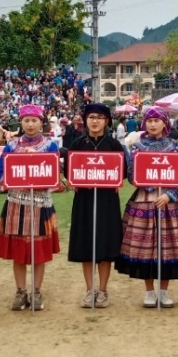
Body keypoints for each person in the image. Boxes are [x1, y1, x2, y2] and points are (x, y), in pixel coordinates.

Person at [117, 105, 178, 308]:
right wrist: (149, 183)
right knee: (146, 247)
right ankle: (149, 292)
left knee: (167, 247)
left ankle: (163, 291)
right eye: (150, 121)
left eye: (157, 120)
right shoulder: (138, 147)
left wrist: (169, 194)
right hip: (144, 200)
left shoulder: (175, 146)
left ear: (164, 123)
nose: (153, 124)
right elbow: (130, 174)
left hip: (169, 203)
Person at [0, 104, 61, 311]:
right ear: (20, 123)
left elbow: (55, 174)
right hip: (16, 203)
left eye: (34, 120)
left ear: (41, 123)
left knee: (38, 250)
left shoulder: (50, 146)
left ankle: (37, 290)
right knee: (19, 251)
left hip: (40, 203)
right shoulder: (11, 146)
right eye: (26, 120)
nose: (30, 124)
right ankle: (21, 290)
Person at [66, 103, 124, 309]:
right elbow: (69, 172)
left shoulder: (115, 146)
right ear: (85, 120)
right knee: (86, 244)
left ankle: (103, 289)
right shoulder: (77, 144)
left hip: (107, 201)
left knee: (106, 245)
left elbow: (123, 172)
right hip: (84, 200)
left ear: (107, 121)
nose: (95, 121)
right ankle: (90, 289)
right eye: (91, 117)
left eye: (100, 117)